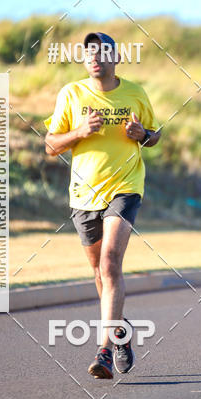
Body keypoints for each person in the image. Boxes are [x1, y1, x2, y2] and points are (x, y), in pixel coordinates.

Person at [44, 31, 161, 378]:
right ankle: (120, 330)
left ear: (116, 58)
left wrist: (143, 135)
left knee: (110, 264)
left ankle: (104, 352)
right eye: (89, 53)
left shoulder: (135, 93)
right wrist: (78, 132)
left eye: (102, 52)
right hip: (84, 194)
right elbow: (50, 145)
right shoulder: (71, 94)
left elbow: (155, 134)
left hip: (125, 188)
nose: (95, 58)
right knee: (99, 273)